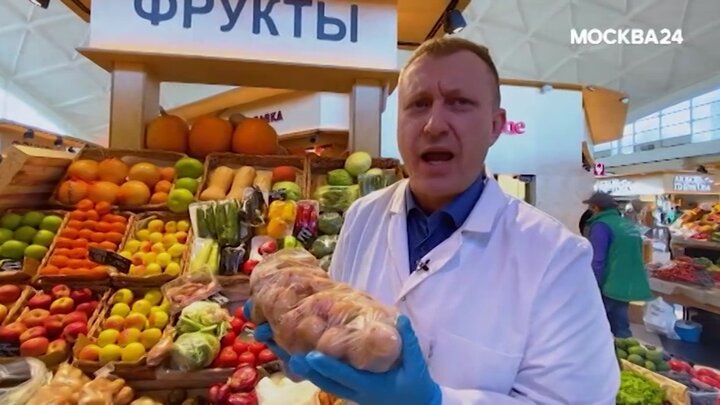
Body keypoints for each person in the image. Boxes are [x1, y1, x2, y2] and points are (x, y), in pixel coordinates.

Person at [246, 37, 619, 404]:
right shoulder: (363, 215)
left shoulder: (557, 256)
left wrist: (434, 401)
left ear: (495, 125)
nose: (433, 125)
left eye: (459, 103)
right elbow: (336, 333)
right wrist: (302, 347)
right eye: (418, 104)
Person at [584, 191, 654, 338]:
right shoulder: (627, 224)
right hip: (627, 284)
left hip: (609, 283)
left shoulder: (601, 226)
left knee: (595, 328)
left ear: (596, 207)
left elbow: (598, 260)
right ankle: (623, 347)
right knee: (621, 326)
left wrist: (592, 285)